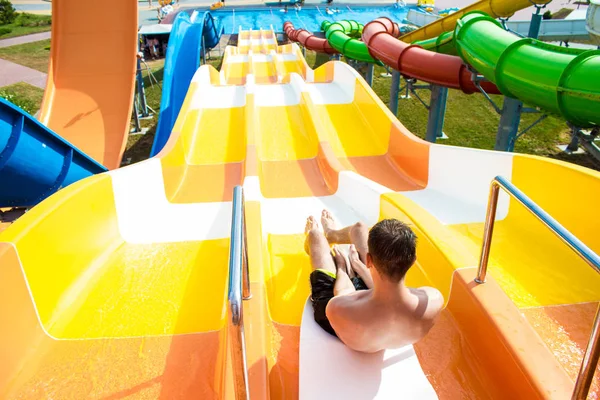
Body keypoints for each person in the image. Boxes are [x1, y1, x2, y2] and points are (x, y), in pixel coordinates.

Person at [305, 211, 444, 353]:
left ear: (369, 260)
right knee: (359, 228)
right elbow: (390, 297)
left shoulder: (337, 307)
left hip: (348, 318)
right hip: (368, 306)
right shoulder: (434, 299)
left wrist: (342, 266)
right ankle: (331, 233)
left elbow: (343, 291)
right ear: (413, 260)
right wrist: (359, 267)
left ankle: (318, 235)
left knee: (315, 236)